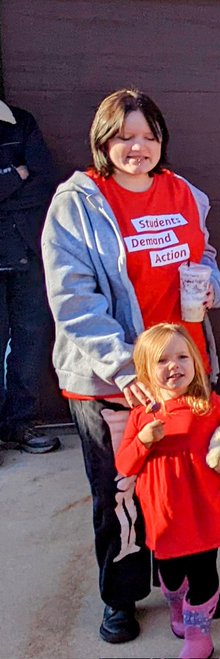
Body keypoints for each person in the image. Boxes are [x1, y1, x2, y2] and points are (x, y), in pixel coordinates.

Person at [42, 88, 220, 643]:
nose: (138, 147)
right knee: (121, 491)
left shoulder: (186, 194)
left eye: (148, 136)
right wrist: (130, 370)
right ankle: (122, 595)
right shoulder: (76, 204)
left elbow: (206, 260)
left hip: (185, 375)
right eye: (124, 136)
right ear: (104, 141)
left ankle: (192, 587)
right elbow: (73, 300)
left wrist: (212, 286)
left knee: (189, 486)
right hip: (113, 380)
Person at [115, 324, 220, 659]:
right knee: (169, 575)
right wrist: (143, 442)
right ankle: (177, 608)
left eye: (182, 356)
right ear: (144, 370)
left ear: (196, 362)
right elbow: (124, 466)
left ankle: (199, 638)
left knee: (203, 574)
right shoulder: (142, 416)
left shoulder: (211, 406)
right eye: (162, 360)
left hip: (205, 510)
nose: (174, 366)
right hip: (163, 514)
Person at [0, 101, 60, 458]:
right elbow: (25, 179)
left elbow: (44, 181)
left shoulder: (21, 121)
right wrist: (13, 175)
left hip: (27, 249)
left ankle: (20, 424)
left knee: (30, 340)